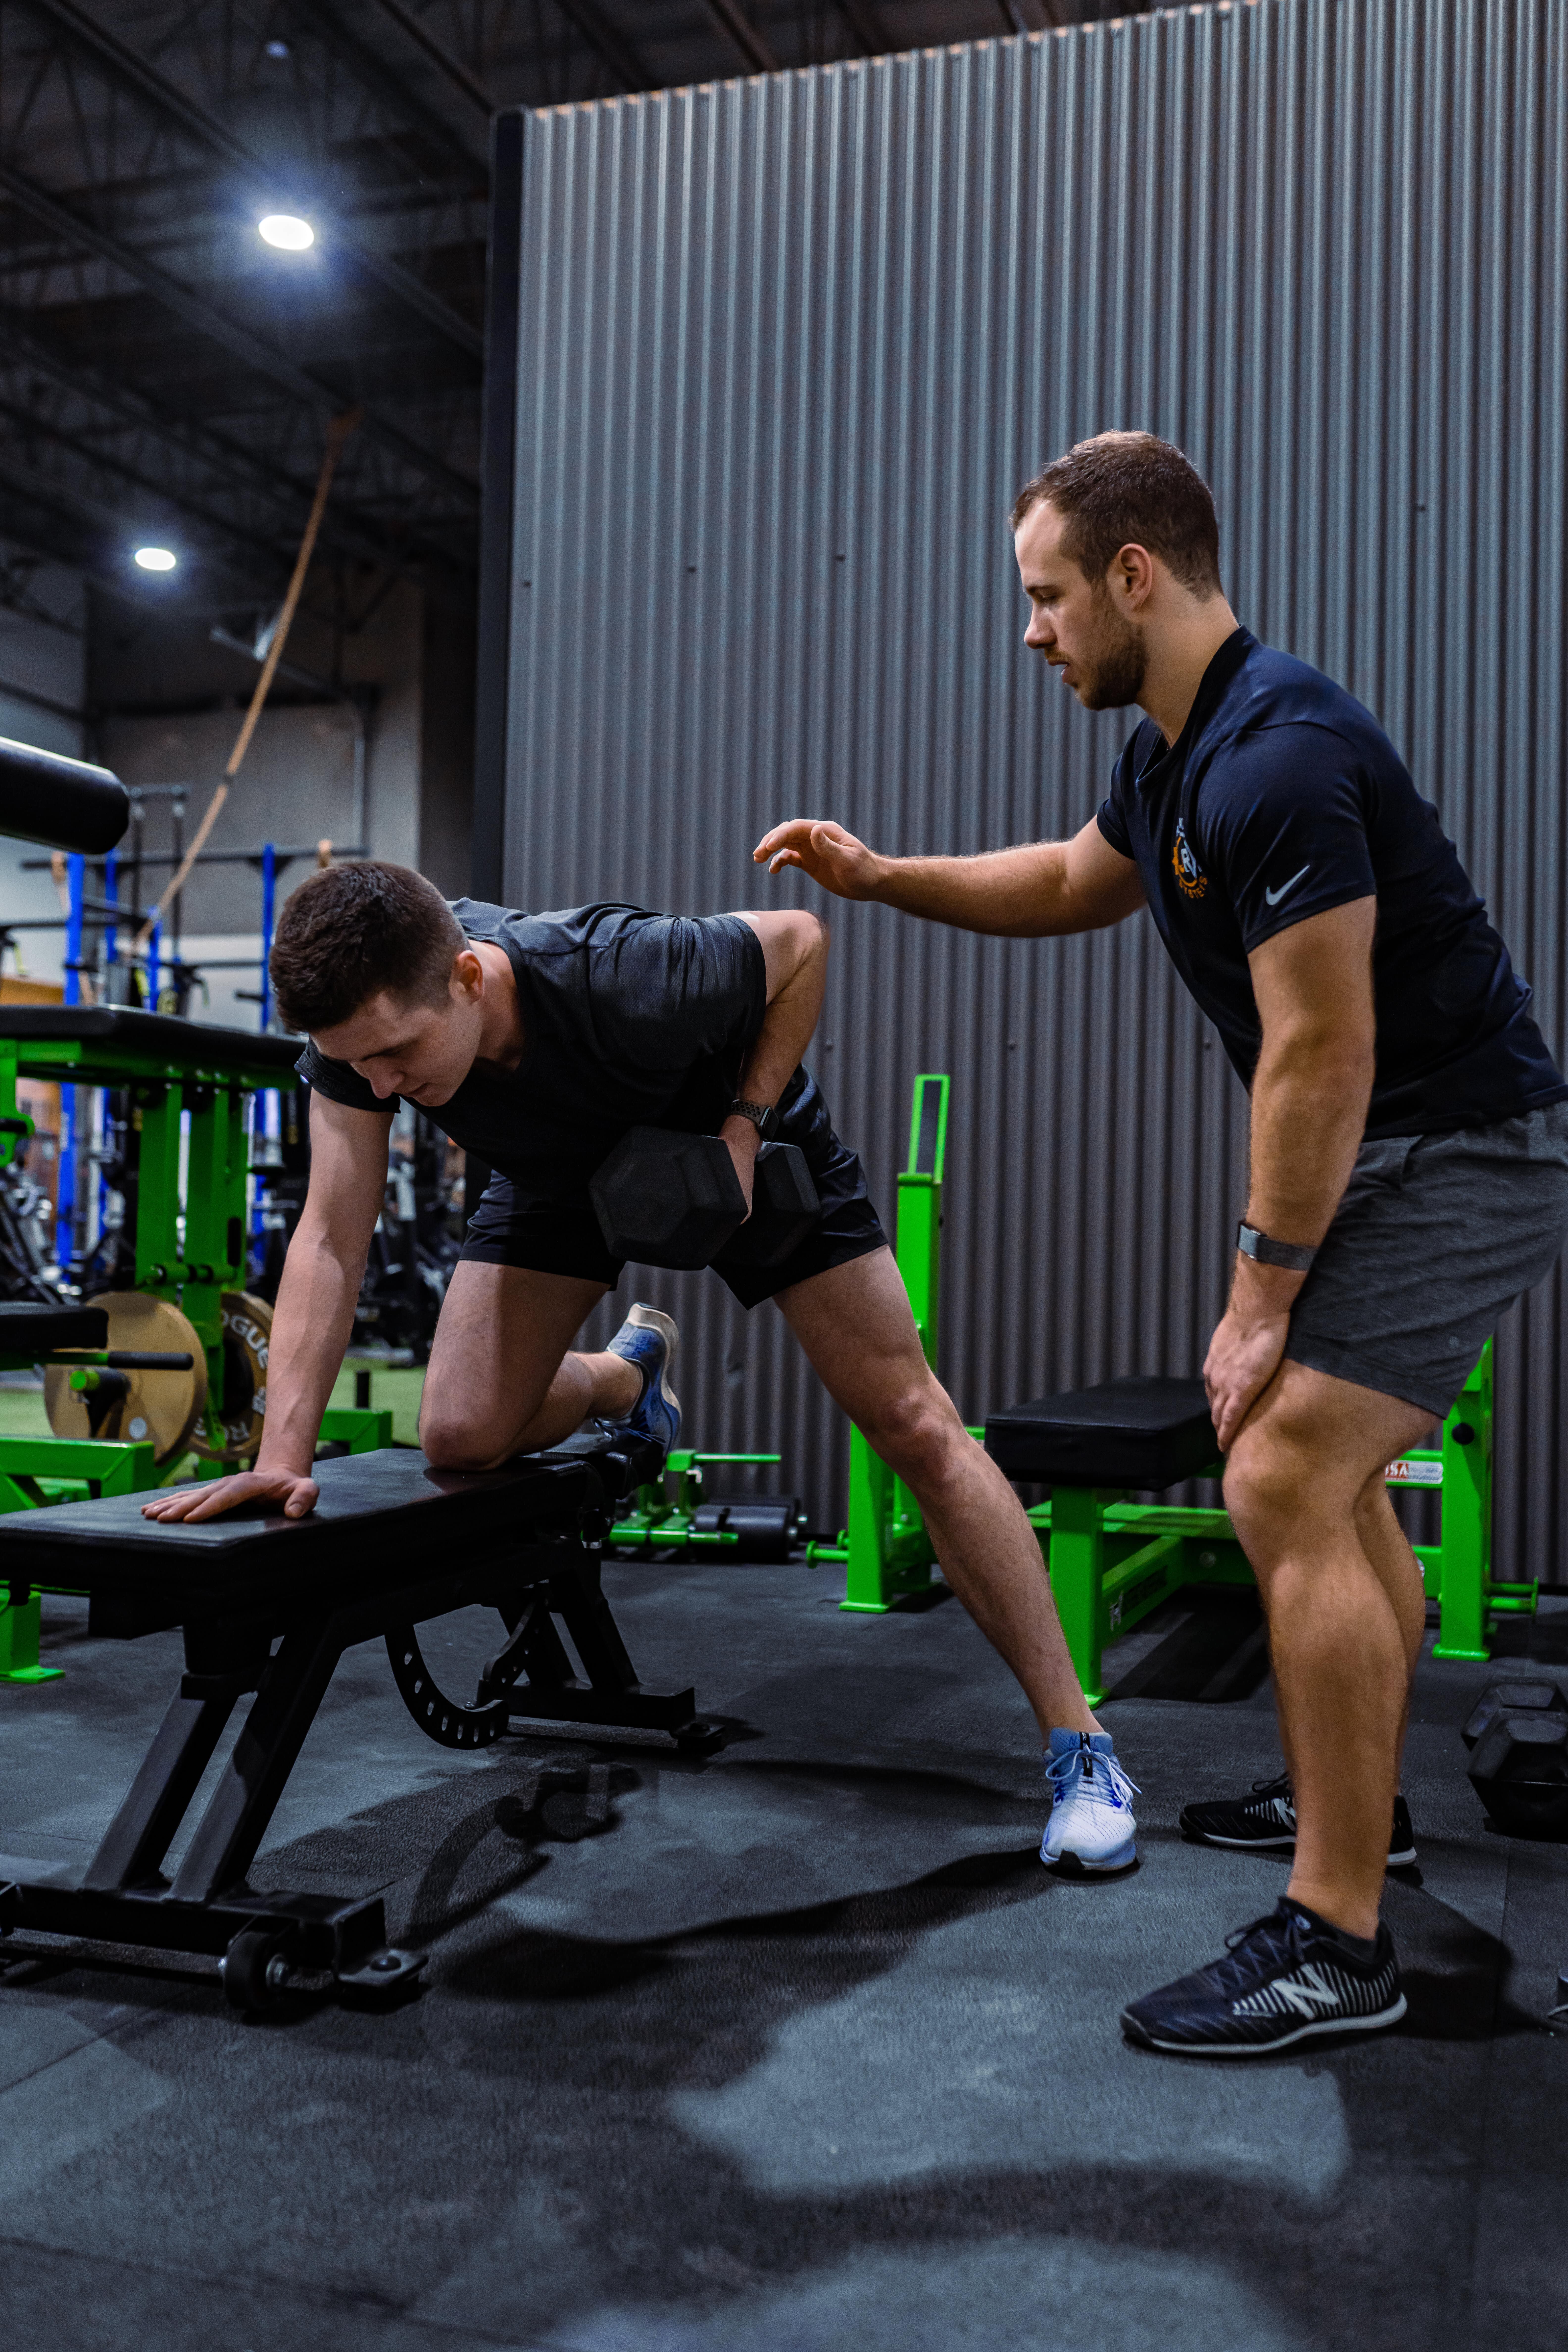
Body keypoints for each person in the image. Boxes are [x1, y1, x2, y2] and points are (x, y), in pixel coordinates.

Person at [755, 429, 1568, 2055]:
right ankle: (1356, 1816)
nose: (1031, 630)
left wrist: (1252, 1297)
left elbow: (1317, 1052)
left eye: (1046, 595)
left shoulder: (1277, 753)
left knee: (1276, 1474)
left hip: (1461, 1145)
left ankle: (1336, 1938)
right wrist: (880, 874)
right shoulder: (1168, 749)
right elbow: (1071, 879)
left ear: (1135, 575)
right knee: (1302, 1483)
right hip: (1383, 1144)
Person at [142, 862, 1139, 1870]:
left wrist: (743, 1128)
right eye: (361, 1068)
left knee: (914, 1425)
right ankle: (629, 1380)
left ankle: (1083, 1745)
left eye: (398, 1056)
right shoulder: (365, 1040)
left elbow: (799, 944)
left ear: (470, 980)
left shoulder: (624, 973)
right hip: (558, 1179)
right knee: (461, 1435)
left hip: (733, 1153)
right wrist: (284, 1454)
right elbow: (329, 1236)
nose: (385, 1088)